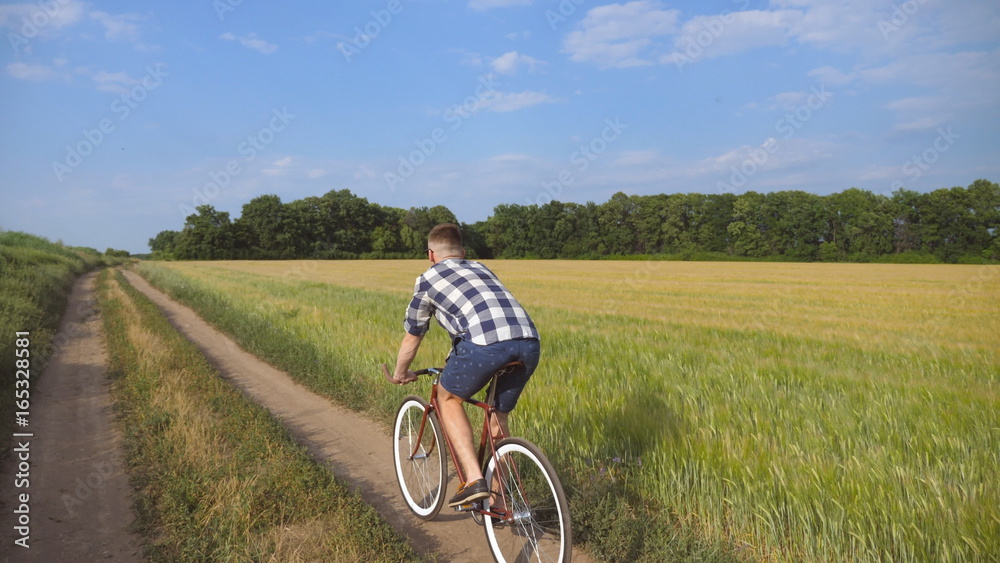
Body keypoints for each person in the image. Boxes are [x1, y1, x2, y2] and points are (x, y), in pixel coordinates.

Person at [389, 223, 541, 507]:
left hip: (485, 345)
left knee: (448, 399)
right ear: (463, 252)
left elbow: (413, 335)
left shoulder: (427, 279)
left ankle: (474, 479)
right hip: (529, 342)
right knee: (497, 416)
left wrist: (400, 374)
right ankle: (499, 502)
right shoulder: (481, 267)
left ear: (430, 254)